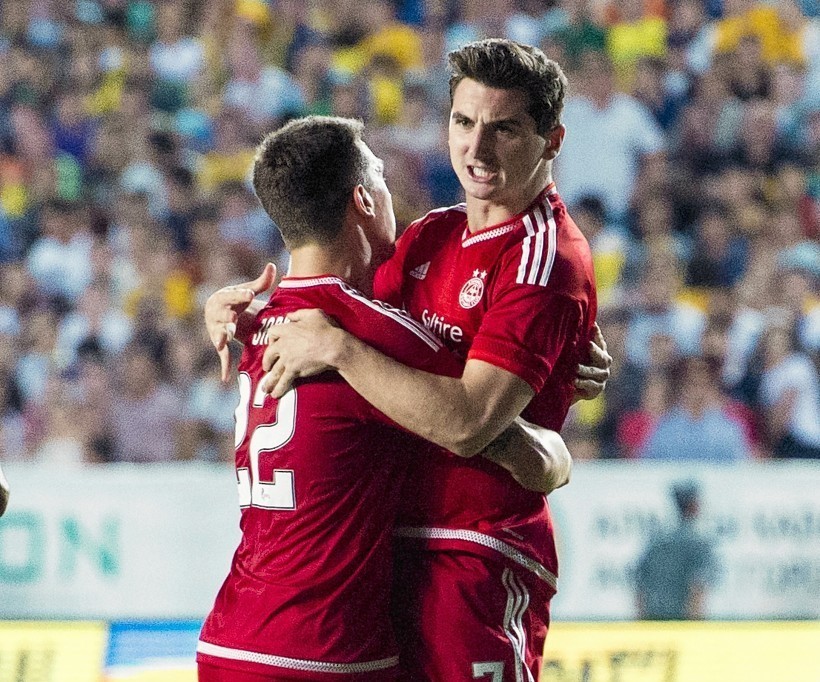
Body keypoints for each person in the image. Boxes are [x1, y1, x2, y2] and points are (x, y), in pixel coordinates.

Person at [214, 39, 604, 682]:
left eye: (503, 129)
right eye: (463, 122)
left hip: (473, 555)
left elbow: (467, 420)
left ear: (551, 140)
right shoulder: (430, 236)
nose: (476, 150)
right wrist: (242, 308)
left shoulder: (545, 257)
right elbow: (334, 301)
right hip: (384, 562)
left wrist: (337, 349)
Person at [635, 481, 718, 620]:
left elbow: (639, 587)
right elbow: (697, 588)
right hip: (681, 624)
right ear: (694, 505)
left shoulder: (656, 541)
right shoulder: (699, 543)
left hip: (652, 621)